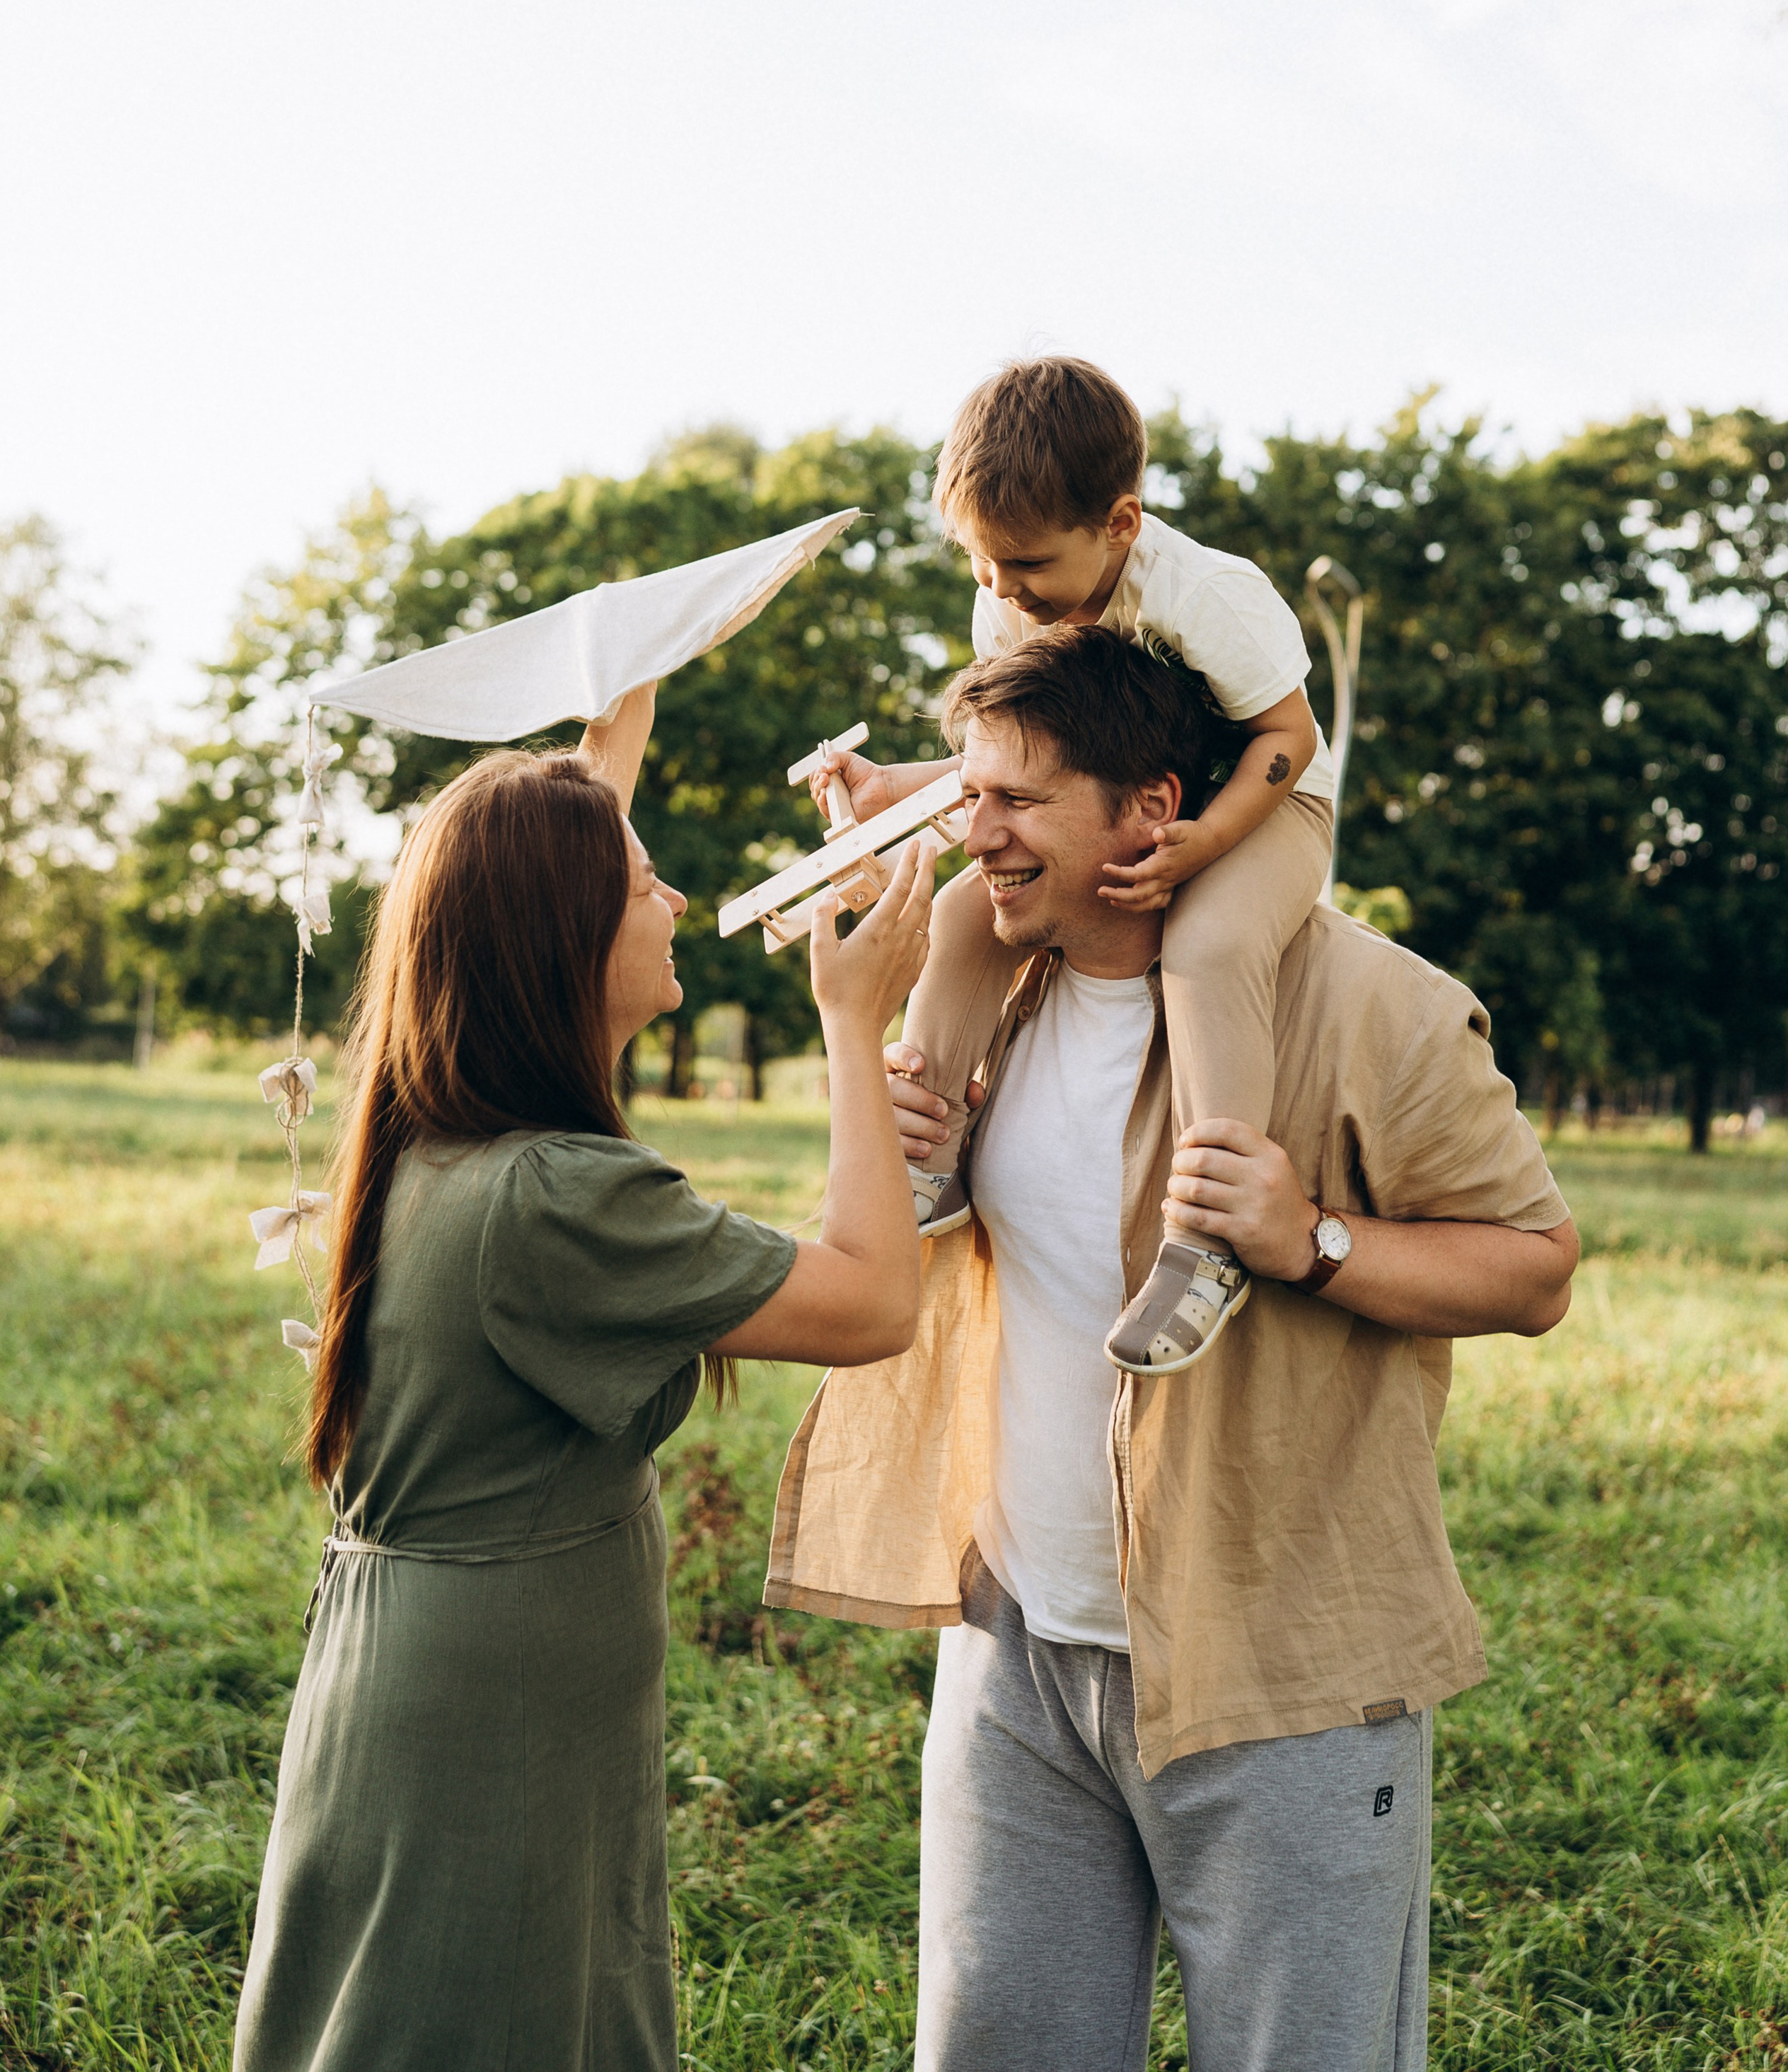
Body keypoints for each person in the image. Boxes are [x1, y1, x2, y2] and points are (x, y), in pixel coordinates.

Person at [765, 626, 1579, 2072]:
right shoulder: (991, 994)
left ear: (1149, 807)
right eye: (969, 792)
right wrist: (911, 1156)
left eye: (1016, 800)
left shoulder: (1370, 1007)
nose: (977, 831)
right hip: (1018, 1653)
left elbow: (1532, 1271)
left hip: (1283, 1674)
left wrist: (1307, 1240)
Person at [233, 683, 934, 2072]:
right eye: (640, 881)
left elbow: (542, 844)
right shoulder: (553, 1195)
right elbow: (869, 1300)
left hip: (452, 1696)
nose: (673, 898)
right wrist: (855, 1022)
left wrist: (636, 688)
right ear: (559, 940)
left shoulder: (440, 1136)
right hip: (481, 1729)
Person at [813, 354, 1335, 1376]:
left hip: (1258, 801)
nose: (1003, 592)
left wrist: (1207, 842)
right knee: (966, 915)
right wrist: (897, 789)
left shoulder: (1206, 595)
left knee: (1209, 943)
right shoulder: (1013, 598)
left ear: (1121, 526)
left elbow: (1288, 734)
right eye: (982, 567)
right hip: (1117, 805)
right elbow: (1010, 758)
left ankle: (1212, 1233)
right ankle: (930, 1147)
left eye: (1028, 568)